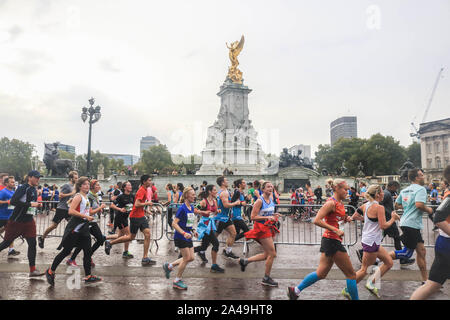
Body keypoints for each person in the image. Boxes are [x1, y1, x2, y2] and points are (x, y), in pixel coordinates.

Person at [287, 178, 359, 300]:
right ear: (336, 188)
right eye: (345, 189)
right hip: (332, 241)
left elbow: (336, 219)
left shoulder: (340, 203)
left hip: (330, 240)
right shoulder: (331, 203)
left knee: (321, 273)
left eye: (348, 189)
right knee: (351, 275)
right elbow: (317, 220)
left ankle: (296, 290)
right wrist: (335, 230)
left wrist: (346, 219)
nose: (347, 192)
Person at [45, 177, 102, 286]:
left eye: (88, 184)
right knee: (66, 251)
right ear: (80, 186)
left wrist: (90, 215)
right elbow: (71, 211)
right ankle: (50, 271)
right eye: (85, 184)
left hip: (84, 226)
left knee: (87, 251)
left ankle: (88, 276)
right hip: (75, 227)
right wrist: (85, 216)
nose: (87, 186)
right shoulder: (78, 196)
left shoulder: (86, 197)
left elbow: (87, 211)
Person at [350, 185, 400, 298]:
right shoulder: (379, 207)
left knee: (389, 263)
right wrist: (393, 218)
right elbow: (383, 226)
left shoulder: (365, 205)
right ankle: (348, 289)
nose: (384, 194)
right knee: (364, 270)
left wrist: (367, 220)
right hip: (371, 242)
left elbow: (355, 216)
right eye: (382, 192)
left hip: (373, 241)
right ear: (378, 194)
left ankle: (371, 283)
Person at [411, 165, 450, 299]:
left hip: (445, 244)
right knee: (432, 284)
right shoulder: (449, 196)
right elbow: (438, 217)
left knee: (433, 284)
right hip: (447, 245)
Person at [388, 169, 434, 284]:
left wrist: (407, 208)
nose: (423, 177)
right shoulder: (421, 189)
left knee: (421, 251)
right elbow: (419, 205)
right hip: (412, 224)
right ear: (417, 178)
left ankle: (425, 280)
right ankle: (378, 258)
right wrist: (429, 210)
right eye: (422, 175)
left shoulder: (405, 190)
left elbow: (397, 205)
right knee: (406, 253)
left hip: (407, 222)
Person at [0, 170, 45, 277]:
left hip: (29, 221)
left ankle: (32, 270)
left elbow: (31, 205)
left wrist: (37, 205)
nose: (38, 179)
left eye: (39, 177)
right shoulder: (23, 188)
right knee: (6, 243)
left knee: (32, 244)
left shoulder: (34, 189)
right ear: (29, 177)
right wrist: (30, 204)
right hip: (16, 221)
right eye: (36, 177)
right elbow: (13, 201)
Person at [104, 175, 156, 266]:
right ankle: (110, 243)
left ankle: (145, 258)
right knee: (130, 237)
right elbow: (137, 204)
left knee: (147, 234)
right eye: (149, 180)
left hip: (140, 215)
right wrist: (147, 203)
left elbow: (134, 205)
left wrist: (145, 210)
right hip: (135, 217)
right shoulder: (141, 191)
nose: (151, 182)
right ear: (144, 182)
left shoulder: (138, 192)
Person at [239, 181, 280, 287]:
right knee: (272, 254)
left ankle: (245, 261)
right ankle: (266, 278)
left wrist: (274, 215)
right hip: (261, 229)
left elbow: (267, 213)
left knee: (267, 254)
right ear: (263, 189)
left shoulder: (271, 200)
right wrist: (267, 217)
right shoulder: (259, 201)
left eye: (271, 186)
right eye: (268, 187)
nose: (270, 188)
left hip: (268, 228)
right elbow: (252, 217)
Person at [66, 179, 113, 267]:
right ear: (92, 187)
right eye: (97, 185)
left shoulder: (95, 195)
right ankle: (84, 258)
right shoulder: (89, 196)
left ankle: (79, 259)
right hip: (90, 221)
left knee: (84, 242)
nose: (99, 186)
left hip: (91, 220)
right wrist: (100, 208)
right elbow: (89, 212)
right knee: (99, 239)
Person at [163, 187, 197, 290]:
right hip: (181, 236)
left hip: (187, 235)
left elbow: (188, 223)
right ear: (187, 196)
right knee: (186, 258)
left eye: (195, 194)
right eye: (192, 195)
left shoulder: (191, 207)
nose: (194, 196)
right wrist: (183, 233)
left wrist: (193, 230)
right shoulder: (182, 208)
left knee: (191, 258)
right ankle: (177, 281)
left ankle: (169, 266)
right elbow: (174, 223)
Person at [39, 171, 78, 248]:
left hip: (69, 209)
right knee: (54, 226)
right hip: (62, 208)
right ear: (71, 178)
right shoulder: (67, 185)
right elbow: (60, 196)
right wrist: (71, 193)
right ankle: (42, 237)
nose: (77, 179)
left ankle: (68, 243)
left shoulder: (74, 186)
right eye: (75, 178)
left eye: (77, 178)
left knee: (73, 226)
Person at [380, 181, 415, 266]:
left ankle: (363, 252)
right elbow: (379, 204)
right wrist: (388, 214)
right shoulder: (387, 194)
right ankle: (402, 259)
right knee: (396, 238)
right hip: (389, 220)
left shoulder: (387, 193)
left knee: (381, 238)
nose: (396, 190)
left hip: (388, 219)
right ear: (392, 186)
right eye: (396, 188)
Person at [193, 184, 224, 272]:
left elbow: (215, 212)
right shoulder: (203, 201)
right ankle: (214, 265)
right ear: (210, 191)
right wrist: (203, 211)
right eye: (214, 190)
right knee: (216, 244)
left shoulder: (215, 201)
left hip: (211, 225)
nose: (216, 192)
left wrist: (217, 211)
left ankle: (186, 253)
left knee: (203, 247)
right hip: (205, 226)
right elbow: (195, 209)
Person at [216, 176, 240, 260]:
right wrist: (235, 203)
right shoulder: (224, 193)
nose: (228, 181)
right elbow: (226, 205)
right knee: (213, 237)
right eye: (226, 180)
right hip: (221, 218)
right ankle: (201, 250)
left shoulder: (224, 191)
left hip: (226, 218)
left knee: (233, 233)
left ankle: (228, 251)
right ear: (222, 183)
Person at [109, 181, 134, 259]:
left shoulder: (132, 196)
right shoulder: (121, 196)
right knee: (128, 235)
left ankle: (104, 238)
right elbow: (112, 205)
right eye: (129, 185)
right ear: (124, 187)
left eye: (131, 185)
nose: (131, 186)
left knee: (120, 236)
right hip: (120, 218)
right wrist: (120, 209)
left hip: (125, 218)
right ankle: (125, 252)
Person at [0, 176, 20, 257]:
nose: (13, 183)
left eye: (14, 182)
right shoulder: (3, 192)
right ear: (6, 183)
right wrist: (6, 202)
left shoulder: (13, 192)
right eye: (11, 182)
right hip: (1, 216)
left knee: (11, 233)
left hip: (10, 217)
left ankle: (11, 250)